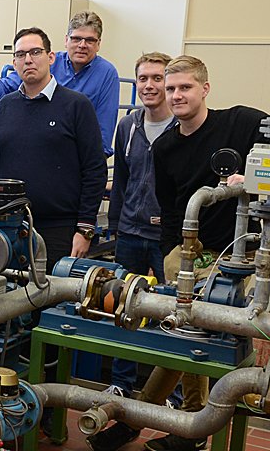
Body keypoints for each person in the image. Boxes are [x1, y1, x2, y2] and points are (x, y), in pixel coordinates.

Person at [142, 55, 267, 451]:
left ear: (205, 89)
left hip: (235, 255)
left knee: (197, 334)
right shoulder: (164, 147)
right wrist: (169, 255)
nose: (176, 95)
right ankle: (188, 425)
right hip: (186, 252)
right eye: (171, 88)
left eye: (185, 87)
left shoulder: (241, 122)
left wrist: (252, 174)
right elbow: (169, 206)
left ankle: (176, 423)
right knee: (184, 328)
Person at [86, 52, 182, 451]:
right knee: (120, 309)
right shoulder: (128, 126)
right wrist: (115, 225)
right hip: (129, 232)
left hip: (168, 241)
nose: (148, 85)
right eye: (142, 78)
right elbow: (121, 181)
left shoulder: (183, 127)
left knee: (174, 315)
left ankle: (173, 395)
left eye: (157, 78)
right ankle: (122, 384)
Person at [0, 27, 107, 273]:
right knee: (3, 303)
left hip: (59, 231)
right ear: (14, 62)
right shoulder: (6, 106)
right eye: (21, 54)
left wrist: (85, 229)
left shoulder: (76, 105)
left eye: (35, 52)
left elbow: (94, 169)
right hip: (10, 227)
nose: (28, 60)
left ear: (51, 57)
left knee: (49, 305)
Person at [0, 11, 119, 156]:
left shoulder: (106, 74)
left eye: (90, 40)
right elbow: (10, 83)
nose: (82, 45)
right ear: (66, 40)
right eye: (76, 38)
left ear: (98, 44)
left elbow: (103, 133)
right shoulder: (50, 62)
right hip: (39, 144)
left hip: (75, 155)